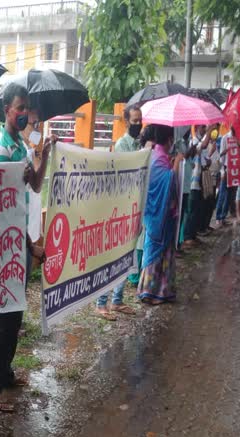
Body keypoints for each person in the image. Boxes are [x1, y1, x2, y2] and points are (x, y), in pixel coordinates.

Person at [0, 83, 46, 413]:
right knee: (4, 315)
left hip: (19, 238)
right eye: (19, 107)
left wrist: (42, 158)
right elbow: (2, 208)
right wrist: (28, 245)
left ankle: (5, 373)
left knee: (15, 310)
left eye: (27, 108)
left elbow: (34, 185)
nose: (24, 113)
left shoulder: (21, 145)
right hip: (7, 242)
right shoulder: (1, 149)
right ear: (6, 109)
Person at [95, 104, 142, 319]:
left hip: (133, 208)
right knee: (114, 256)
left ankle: (117, 300)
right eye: (134, 121)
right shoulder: (123, 145)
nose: (139, 124)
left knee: (127, 256)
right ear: (125, 122)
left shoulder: (139, 145)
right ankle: (101, 302)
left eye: (140, 120)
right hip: (120, 209)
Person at [138, 125, 181, 305]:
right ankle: (148, 290)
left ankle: (162, 290)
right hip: (158, 213)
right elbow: (167, 180)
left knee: (165, 251)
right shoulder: (156, 157)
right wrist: (177, 164)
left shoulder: (160, 156)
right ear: (169, 139)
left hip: (164, 212)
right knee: (154, 249)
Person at [183, 125, 209, 247]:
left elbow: (203, 160)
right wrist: (210, 131)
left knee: (196, 210)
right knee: (191, 211)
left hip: (198, 181)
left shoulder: (198, 142)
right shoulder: (193, 141)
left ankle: (193, 235)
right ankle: (188, 236)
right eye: (203, 128)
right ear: (198, 128)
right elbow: (202, 146)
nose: (204, 130)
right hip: (192, 182)